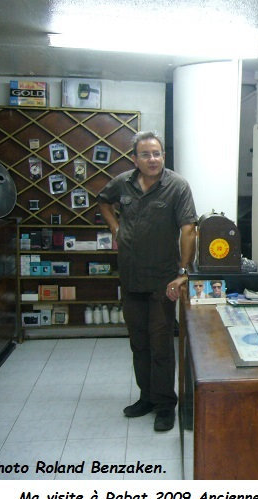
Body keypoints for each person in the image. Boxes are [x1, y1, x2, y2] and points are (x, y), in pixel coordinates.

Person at [97, 131, 197, 432]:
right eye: (145, 154)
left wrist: (183, 272)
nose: (152, 159)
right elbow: (103, 201)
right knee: (138, 342)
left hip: (162, 280)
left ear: (163, 155)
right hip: (130, 276)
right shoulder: (123, 183)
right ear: (135, 159)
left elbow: (189, 229)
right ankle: (147, 398)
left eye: (157, 153)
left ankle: (165, 405)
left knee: (161, 343)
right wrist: (115, 228)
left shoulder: (177, 186)